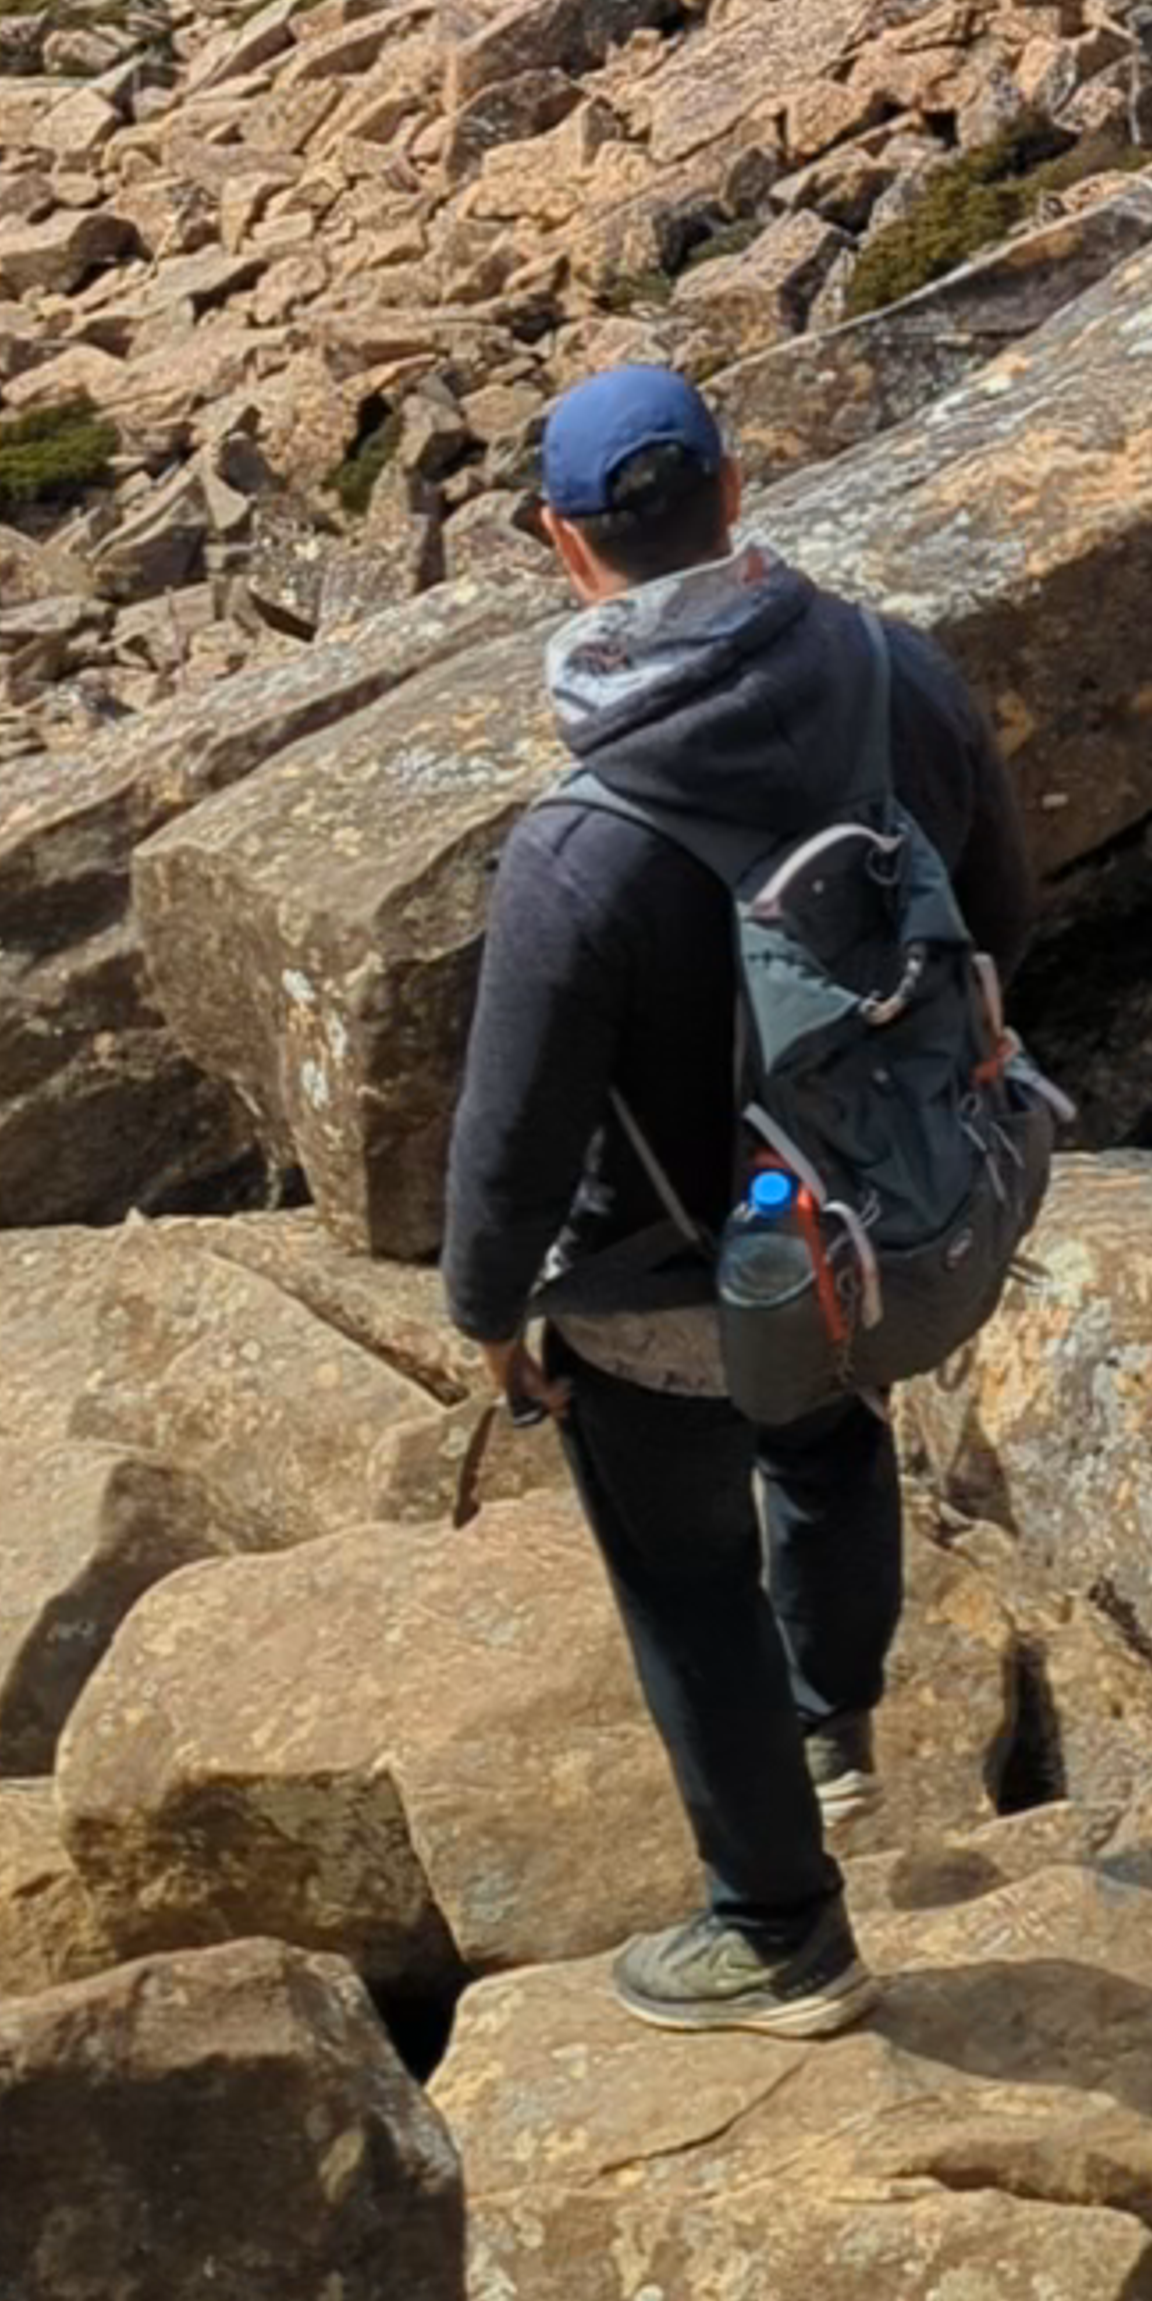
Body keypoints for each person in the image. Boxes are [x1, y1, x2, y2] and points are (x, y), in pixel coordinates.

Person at [440, 351, 1034, 2038]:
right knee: (829, 1424)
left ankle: (779, 1931)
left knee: (683, 1572)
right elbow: (1000, 908)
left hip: (668, 1278)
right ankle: (831, 1721)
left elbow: (516, 1126)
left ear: (566, 544)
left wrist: (488, 1310)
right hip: (877, 1217)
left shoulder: (580, 841)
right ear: (737, 488)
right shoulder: (894, 672)